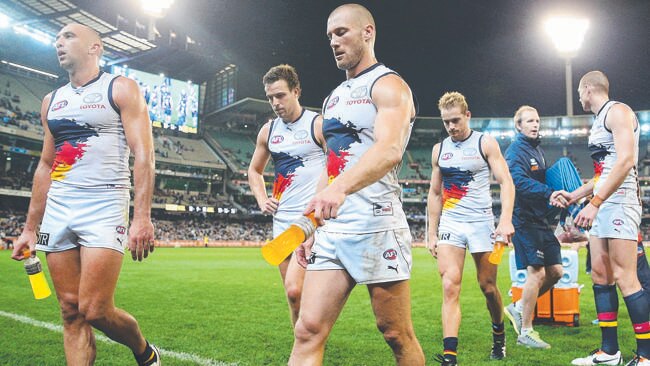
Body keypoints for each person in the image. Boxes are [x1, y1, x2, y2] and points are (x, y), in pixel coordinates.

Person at [10, 23, 159, 365]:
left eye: (68, 36)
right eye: (57, 38)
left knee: (94, 309)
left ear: (95, 47)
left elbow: (144, 155)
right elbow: (47, 164)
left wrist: (142, 217)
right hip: (59, 208)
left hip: (104, 203)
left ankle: (144, 350)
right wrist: (30, 228)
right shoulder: (52, 101)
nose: (58, 42)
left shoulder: (120, 89)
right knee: (69, 311)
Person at [288, 4, 425, 365]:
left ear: (368, 32)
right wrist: (313, 218)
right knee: (307, 329)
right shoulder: (333, 99)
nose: (333, 41)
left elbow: (390, 149)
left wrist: (340, 189)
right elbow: (332, 164)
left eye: (341, 32)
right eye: (330, 36)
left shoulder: (389, 85)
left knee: (396, 334)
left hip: (376, 224)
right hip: (334, 229)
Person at [554, 71, 649, 366]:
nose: (579, 98)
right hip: (604, 201)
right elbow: (602, 173)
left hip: (620, 202)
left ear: (586, 89)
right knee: (600, 274)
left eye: (579, 92)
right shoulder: (598, 122)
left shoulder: (618, 111)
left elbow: (625, 161)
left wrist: (594, 203)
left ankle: (646, 356)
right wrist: (574, 195)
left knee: (625, 277)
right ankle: (609, 352)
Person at [427, 91, 515, 365]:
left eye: (455, 120)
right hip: (451, 224)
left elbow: (506, 182)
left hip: (481, 224)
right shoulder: (439, 149)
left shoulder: (485, 143)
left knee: (487, 286)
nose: (451, 127)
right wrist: (431, 232)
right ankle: (450, 356)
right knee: (450, 285)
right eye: (446, 122)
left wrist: (505, 219)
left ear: (467, 115)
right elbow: (433, 192)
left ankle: (499, 336)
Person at [247, 64, 326, 326]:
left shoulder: (317, 125)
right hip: (281, 224)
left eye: (280, 95)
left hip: (312, 224)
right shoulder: (268, 132)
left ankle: (307, 344)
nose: (275, 103)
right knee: (293, 296)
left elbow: (336, 167)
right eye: (270, 97)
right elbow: (254, 170)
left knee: (298, 290)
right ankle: (302, 347)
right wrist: (261, 199)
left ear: (296, 91)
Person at [503, 105, 565, 349]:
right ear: (518, 125)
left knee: (557, 272)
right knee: (537, 273)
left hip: (540, 220)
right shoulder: (515, 151)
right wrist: (550, 193)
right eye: (529, 121)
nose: (535, 124)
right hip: (523, 220)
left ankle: (518, 307)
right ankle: (526, 332)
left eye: (537, 120)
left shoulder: (537, 149)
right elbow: (517, 182)